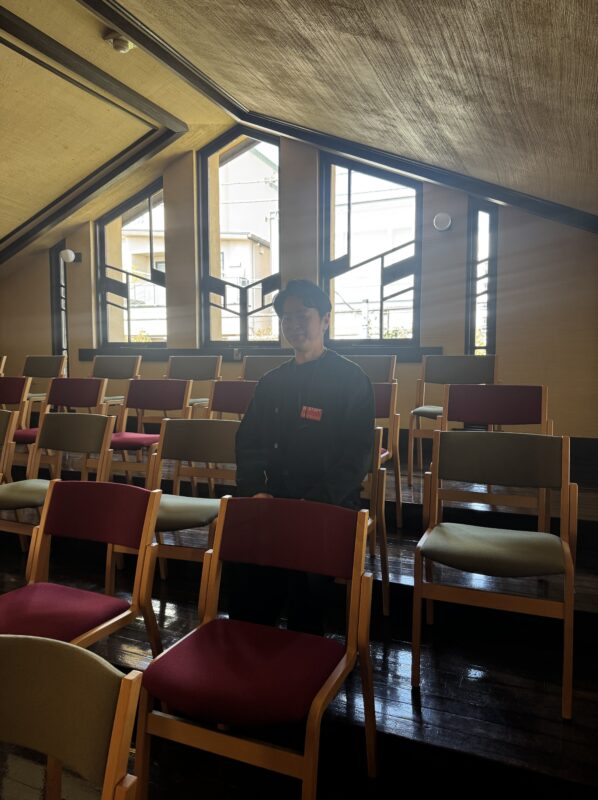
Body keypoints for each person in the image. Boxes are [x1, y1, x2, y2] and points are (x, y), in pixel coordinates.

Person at [230, 279, 374, 632]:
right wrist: (253, 489)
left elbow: (357, 456)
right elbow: (248, 441)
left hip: (328, 502)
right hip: (274, 497)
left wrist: (314, 503)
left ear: (325, 320)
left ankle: (304, 648)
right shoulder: (272, 382)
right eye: (286, 318)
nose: (293, 324)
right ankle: (252, 647)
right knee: (245, 573)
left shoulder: (350, 379)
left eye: (302, 316)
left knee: (304, 584)